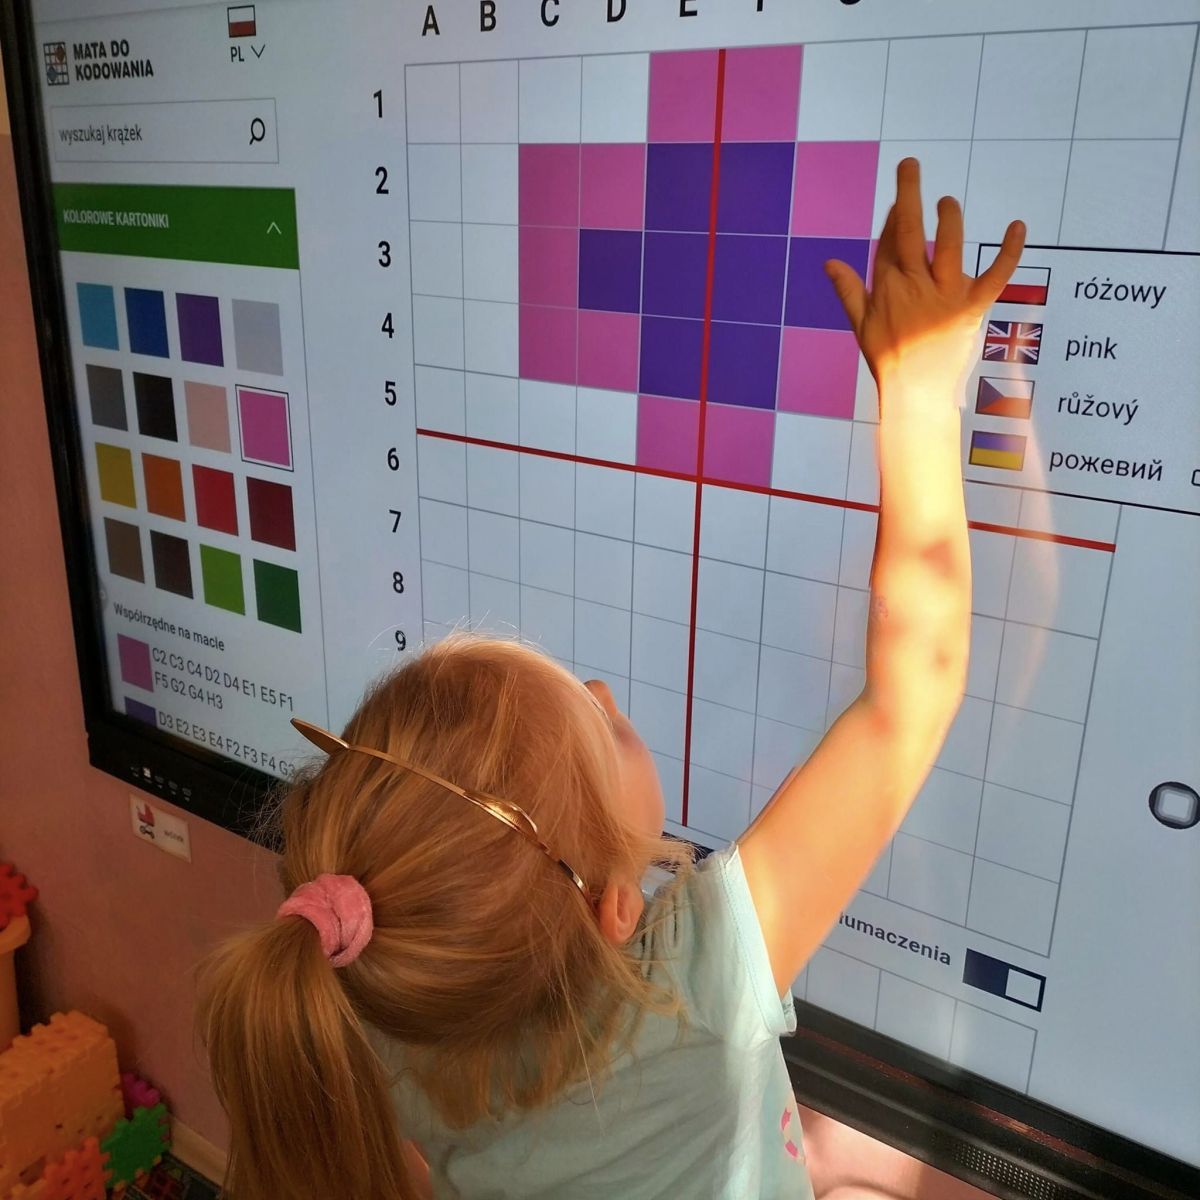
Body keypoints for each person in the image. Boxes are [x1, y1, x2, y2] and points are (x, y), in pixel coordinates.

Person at [197, 158, 1024, 1200]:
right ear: (617, 912)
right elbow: (916, 686)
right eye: (605, 733)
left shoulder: (385, 1002)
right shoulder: (699, 984)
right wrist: (921, 393)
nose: (603, 695)